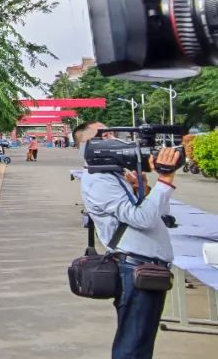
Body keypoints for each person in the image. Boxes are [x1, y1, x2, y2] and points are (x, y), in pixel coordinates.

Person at [76, 121, 180, 359]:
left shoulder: (113, 174)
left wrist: (143, 188)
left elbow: (156, 215)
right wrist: (165, 179)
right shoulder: (98, 181)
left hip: (145, 265)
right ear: (87, 146)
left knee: (140, 343)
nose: (114, 138)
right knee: (133, 347)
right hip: (135, 267)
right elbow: (143, 219)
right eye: (104, 135)